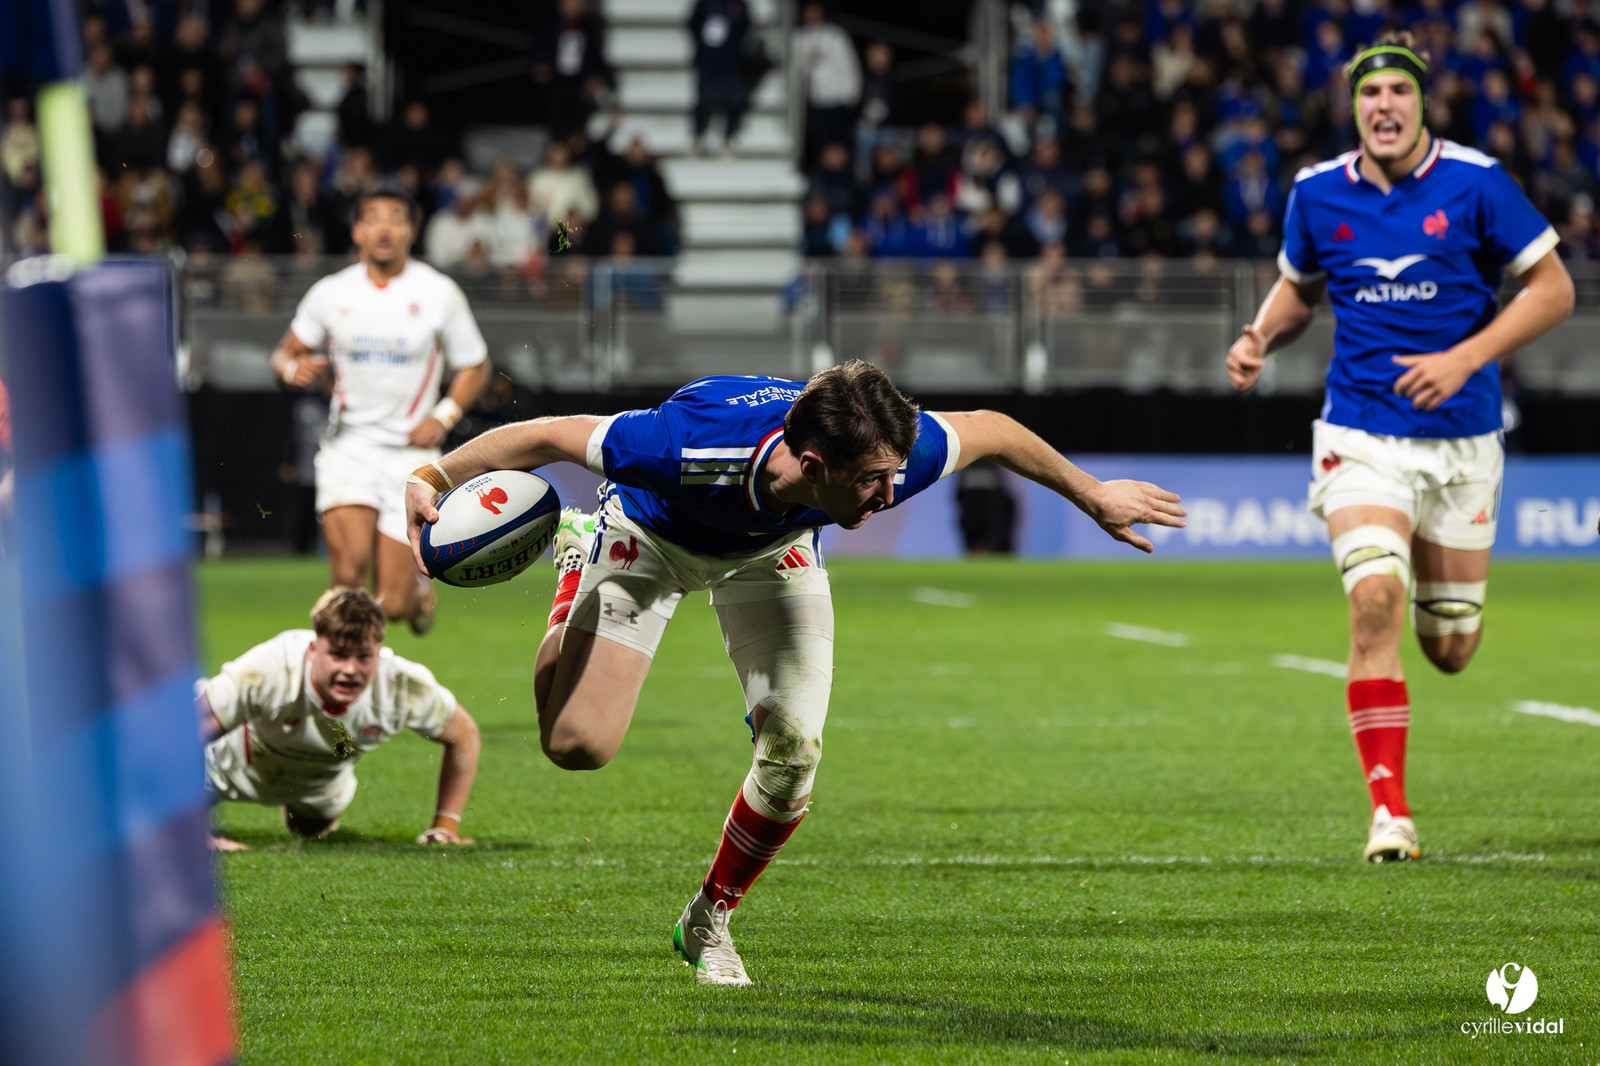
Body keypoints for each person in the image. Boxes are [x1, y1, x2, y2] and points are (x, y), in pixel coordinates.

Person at [404, 360, 1186, 985]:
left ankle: (709, 921)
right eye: (872, 481)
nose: (890, 494)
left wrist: (1093, 495)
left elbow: (995, 429)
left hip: (774, 549)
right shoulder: (685, 443)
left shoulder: (889, 455)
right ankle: (577, 563)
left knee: (794, 752)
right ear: (812, 464)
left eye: (893, 476)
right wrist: (431, 480)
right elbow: (544, 434)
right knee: (577, 745)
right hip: (650, 537)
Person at [1225, 32, 1575, 863]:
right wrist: (1258, 336)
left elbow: (1554, 288)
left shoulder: (1478, 183)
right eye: (1370, 94)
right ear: (1354, 107)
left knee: (1450, 649)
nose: (1384, 105)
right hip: (1360, 434)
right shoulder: (1316, 192)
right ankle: (1390, 814)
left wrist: (1464, 359)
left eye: (1399, 92)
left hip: (1463, 443)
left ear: (1423, 103)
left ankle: (1425, 569)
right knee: (1374, 599)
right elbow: (1299, 289)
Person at [270, 187, 491, 634]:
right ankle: (353, 676)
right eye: (373, 218)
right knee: (347, 585)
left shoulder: (438, 292)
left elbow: (476, 364)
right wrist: (291, 369)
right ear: (357, 231)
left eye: (396, 218)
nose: (384, 228)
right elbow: (282, 355)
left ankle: (418, 597)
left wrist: (444, 416)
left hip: (411, 458)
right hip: (348, 448)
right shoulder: (331, 292)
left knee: (392, 605)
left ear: (411, 230)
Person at [199, 588, 481, 850]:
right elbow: (183, 734)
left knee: (311, 829)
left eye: (363, 657)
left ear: (379, 653)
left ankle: (308, 808)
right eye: (338, 655)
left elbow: (464, 734)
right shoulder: (271, 668)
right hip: (228, 762)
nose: (350, 669)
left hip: (317, 783)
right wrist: (194, 835)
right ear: (312, 650)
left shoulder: (401, 684)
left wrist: (445, 828)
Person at [687, 0, 750, 155]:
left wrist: (733, 48)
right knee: (703, 98)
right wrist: (702, 46)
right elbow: (693, 23)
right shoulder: (704, 3)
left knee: (732, 100)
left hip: (729, 62)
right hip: (707, 59)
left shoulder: (739, 4)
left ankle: (729, 137)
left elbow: (744, 27)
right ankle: (699, 136)